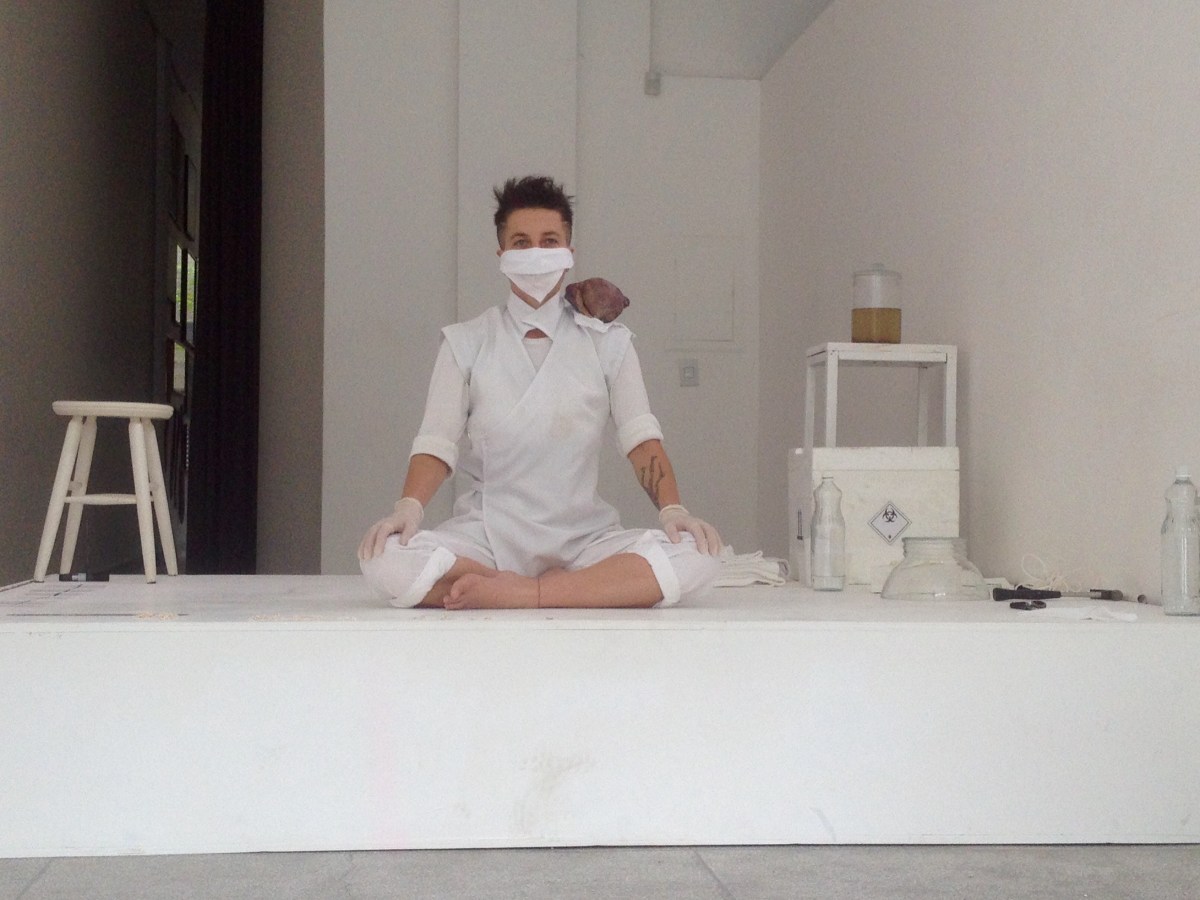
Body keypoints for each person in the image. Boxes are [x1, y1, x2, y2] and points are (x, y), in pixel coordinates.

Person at [358, 175, 722, 610]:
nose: (536, 253)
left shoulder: (609, 343)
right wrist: (408, 509)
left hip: (585, 539)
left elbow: (641, 440)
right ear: (501, 254)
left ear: (569, 251)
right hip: (485, 537)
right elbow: (436, 443)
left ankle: (517, 592)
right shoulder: (466, 342)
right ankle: (560, 589)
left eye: (549, 241)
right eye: (521, 243)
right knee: (384, 561)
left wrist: (674, 512)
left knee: (699, 556)